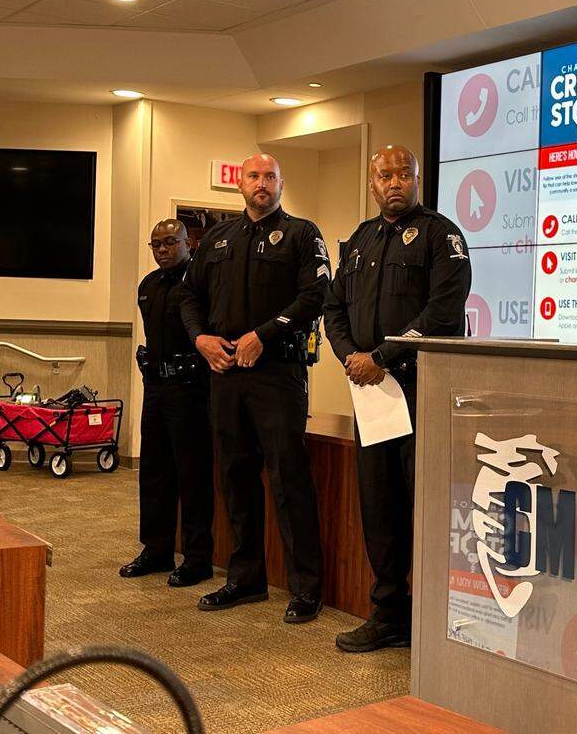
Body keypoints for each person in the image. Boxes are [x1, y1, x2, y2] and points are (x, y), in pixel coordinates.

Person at [325, 145, 471, 652]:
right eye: (384, 175)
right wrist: (351, 357)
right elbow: (334, 310)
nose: (394, 182)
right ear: (372, 183)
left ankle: (435, 618)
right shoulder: (361, 240)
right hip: (371, 393)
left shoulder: (441, 234)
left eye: (402, 174)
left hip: (419, 388)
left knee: (424, 506)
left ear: (416, 178)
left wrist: (382, 356)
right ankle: (388, 614)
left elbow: (445, 312)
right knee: (379, 505)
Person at [180, 153, 330, 624]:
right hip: (224, 373)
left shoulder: (303, 234)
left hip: (277, 373)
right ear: (239, 185)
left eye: (269, 177)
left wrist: (263, 334)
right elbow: (188, 296)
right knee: (235, 476)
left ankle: (307, 588)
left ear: (281, 183)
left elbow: (316, 295)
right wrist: (200, 338)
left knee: (289, 480)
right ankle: (245, 579)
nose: (261, 184)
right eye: (253, 177)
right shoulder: (219, 238)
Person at [120, 220, 214, 586]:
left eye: (170, 243)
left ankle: (197, 558)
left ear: (187, 242)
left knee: (192, 474)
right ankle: (156, 549)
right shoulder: (149, 285)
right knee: (154, 471)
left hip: (191, 389)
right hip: (156, 387)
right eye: (156, 244)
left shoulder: (200, 284)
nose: (162, 250)